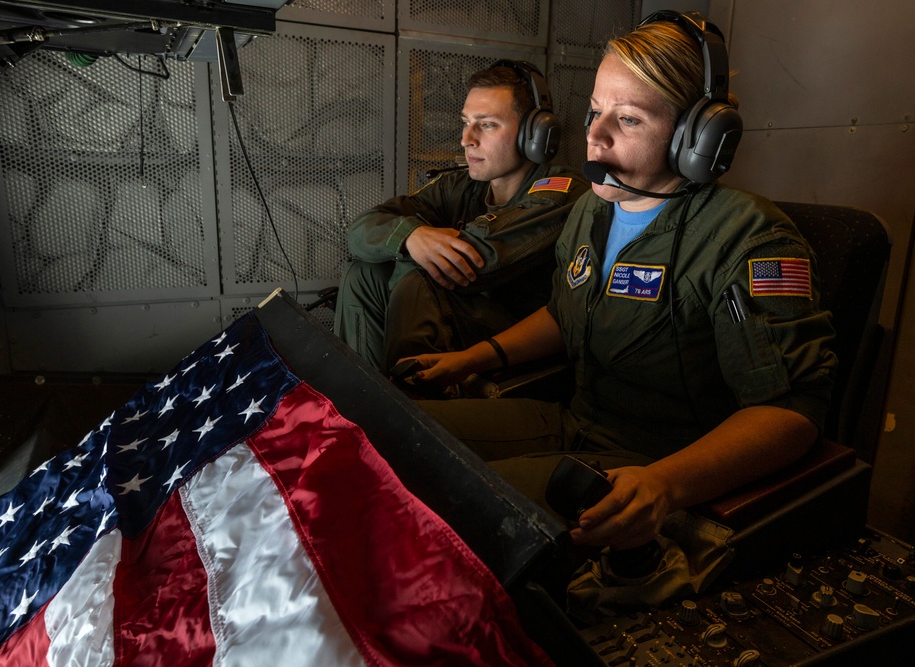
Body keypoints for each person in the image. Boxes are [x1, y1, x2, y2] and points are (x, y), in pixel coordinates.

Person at [403, 11, 838, 595]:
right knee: (394, 440)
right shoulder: (593, 208)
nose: (596, 135)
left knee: (442, 510)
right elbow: (566, 313)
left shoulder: (748, 238)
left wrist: (664, 485)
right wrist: (475, 359)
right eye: (595, 111)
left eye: (628, 118)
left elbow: (792, 415)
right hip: (574, 422)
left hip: (653, 462)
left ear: (696, 140)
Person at [333, 61, 589, 374]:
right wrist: (411, 236)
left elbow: (472, 262)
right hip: (464, 325)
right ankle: (363, 397)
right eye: (465, 122)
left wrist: (411, 247)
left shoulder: (562, 191)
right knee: (365, 272)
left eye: (487, 124)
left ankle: (412, 404)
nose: (466, 138)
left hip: (517, 351)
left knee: (420, 275)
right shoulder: (462, 186)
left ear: (533, 134)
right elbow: (362, 229)